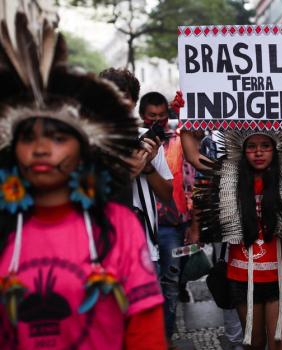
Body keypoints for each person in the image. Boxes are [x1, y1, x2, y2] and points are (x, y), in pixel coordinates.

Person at [0, 15, 165, 349]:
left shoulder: (119, 228)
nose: (42, 149)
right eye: (28, 136)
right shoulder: (6, 227)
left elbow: (145, 334)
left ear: (82, 147)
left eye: (58, 136)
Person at [180, 88, 282, 350]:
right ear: (243, 149)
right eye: (252, 147)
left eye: (264, 146)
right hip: (241, 276)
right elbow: (194, 157)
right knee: (254, 344)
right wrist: (185, 113)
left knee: (280, 344)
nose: (259, 152)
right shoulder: (228, 175)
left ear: (275, 149)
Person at [99, 69, 173, 266]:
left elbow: (168, 196)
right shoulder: (88, 141)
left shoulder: (147, 138)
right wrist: (127, 172)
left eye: (123, 96)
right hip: (103, 251)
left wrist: (148, 167)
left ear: (132, 102)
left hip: (145, 251)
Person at [138, 91, 195, 342]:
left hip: (173, 227)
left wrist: (195, 223)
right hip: (141, 227)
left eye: (162, 117)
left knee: (171, 283)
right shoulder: (133, 142)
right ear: (142, 116)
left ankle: (165, 338)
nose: (157, 121)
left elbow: (192, 183)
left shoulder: (178, 141)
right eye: (151, 116)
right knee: (145, 285)